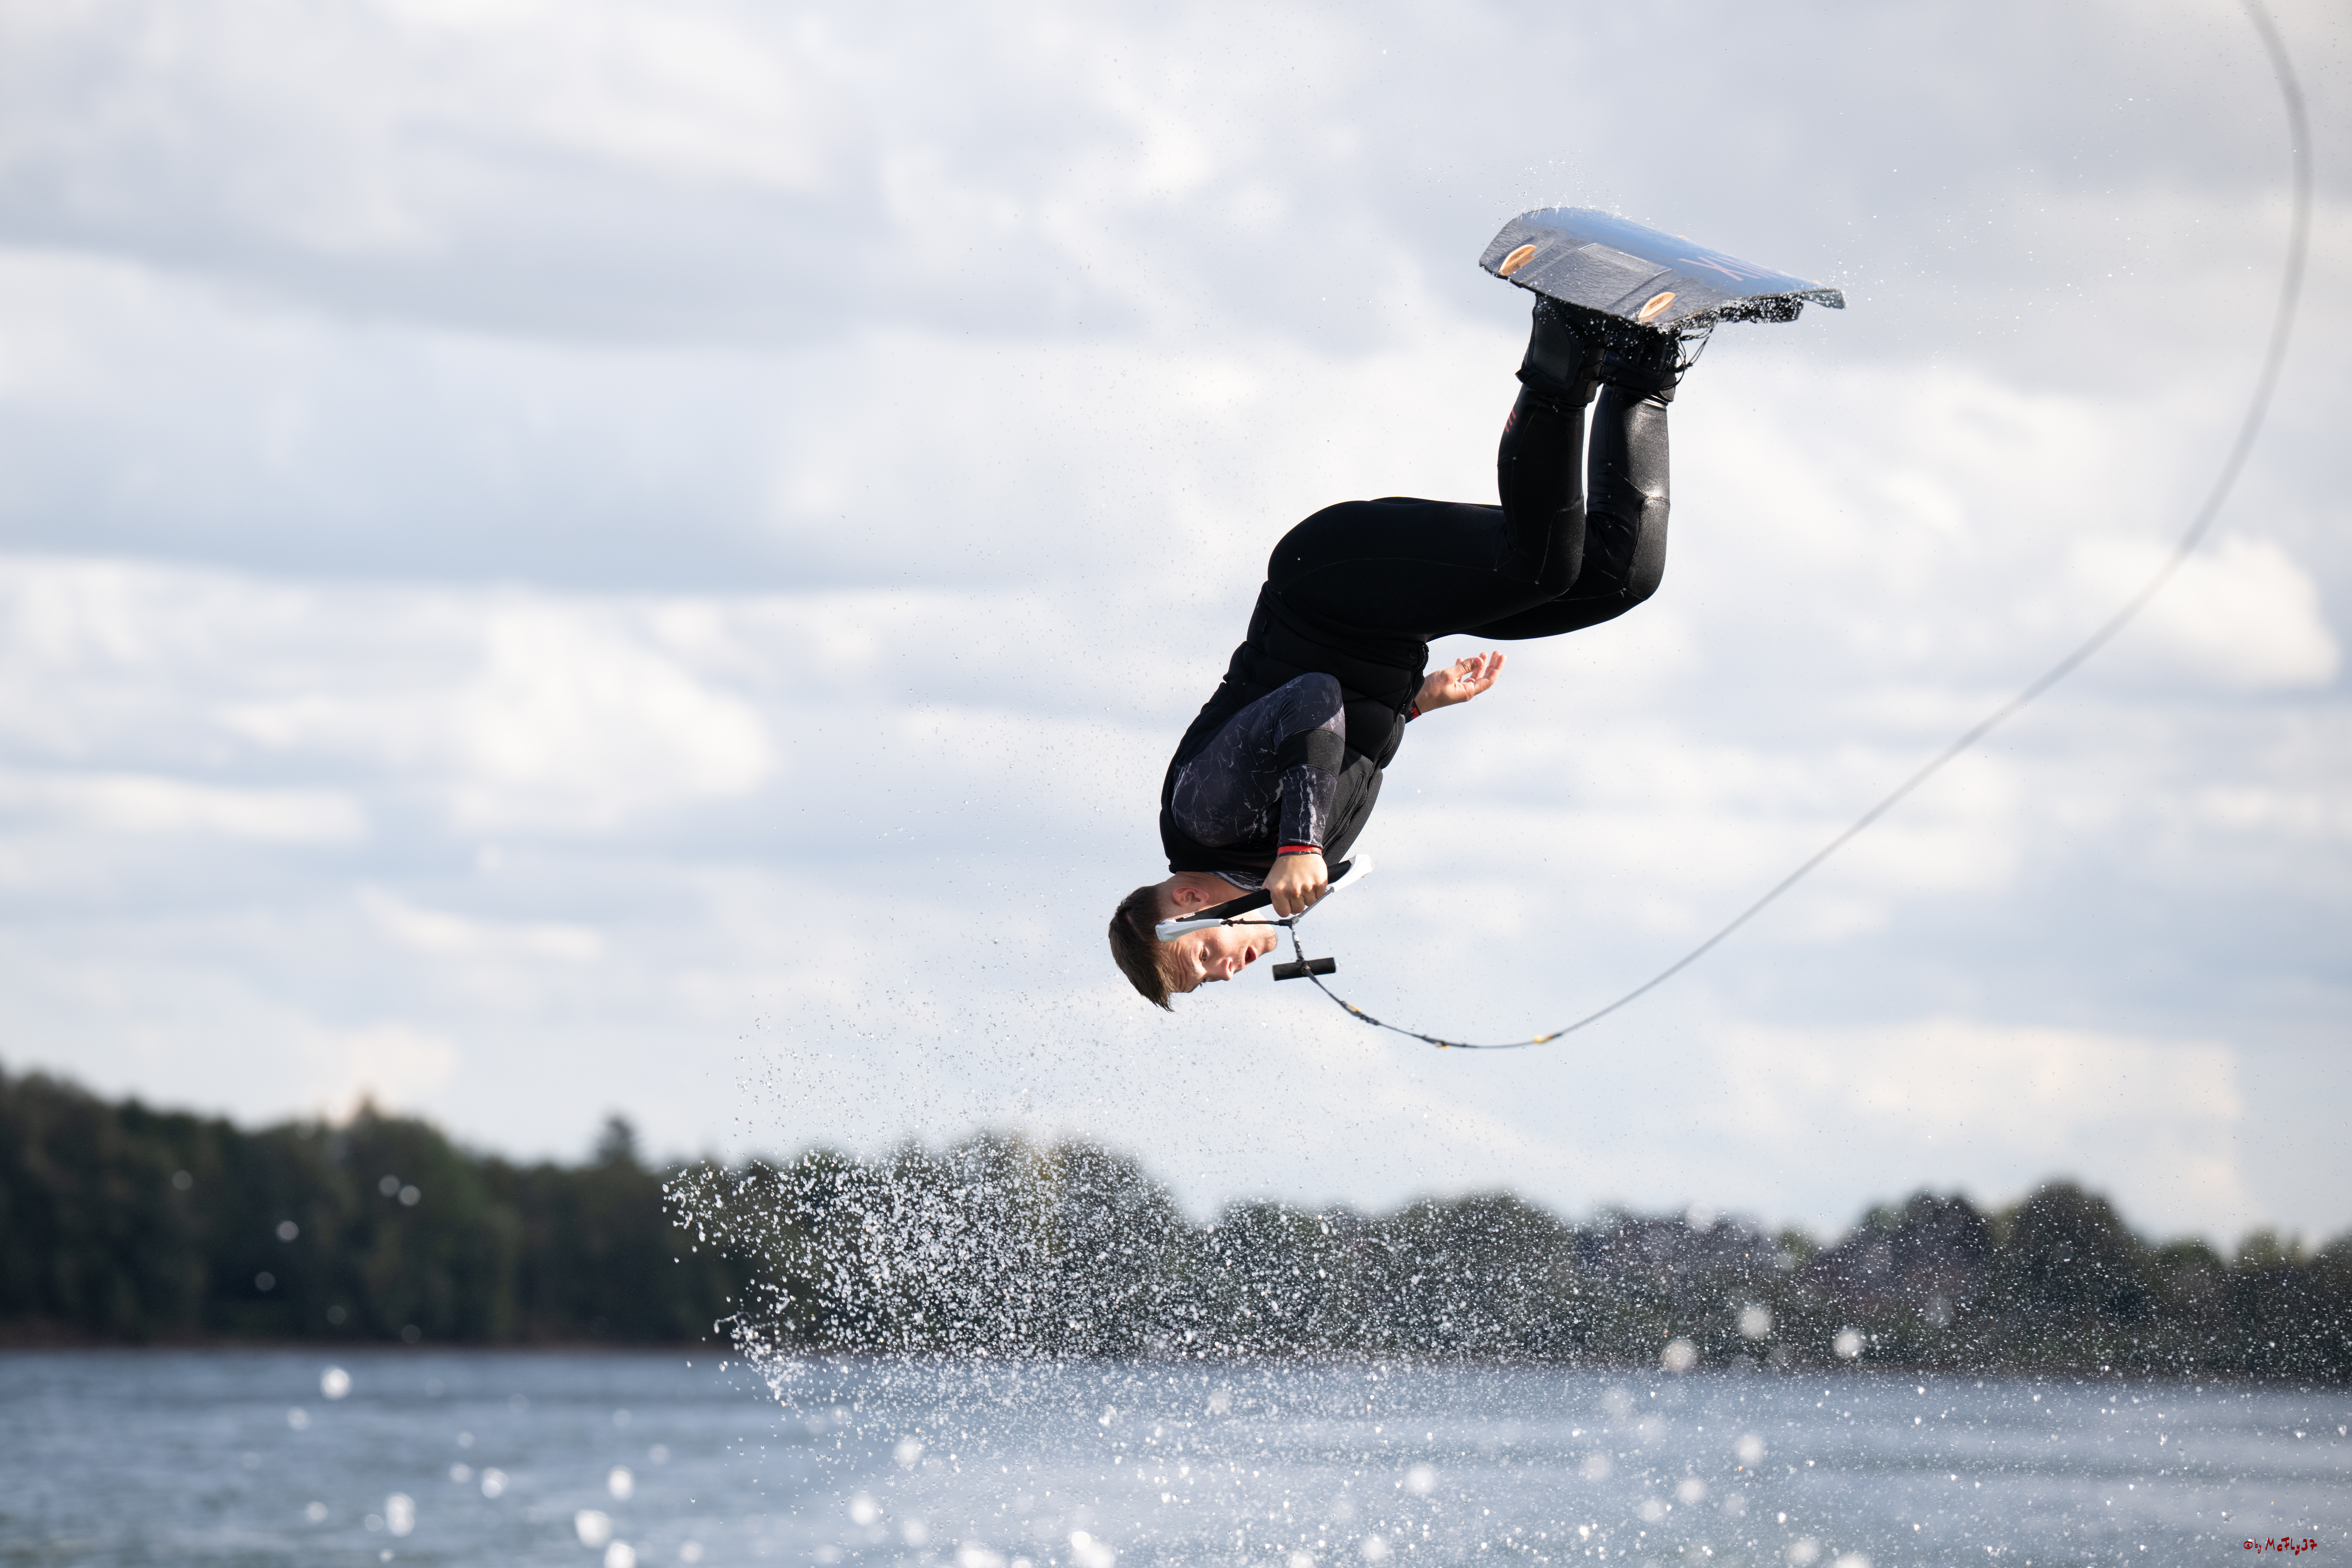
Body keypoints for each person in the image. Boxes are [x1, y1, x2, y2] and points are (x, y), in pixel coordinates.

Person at [1108, 295, 1692, 1006]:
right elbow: (1326, 745)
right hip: (1389, 628)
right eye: (1210, 981)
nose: (1229, 970)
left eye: (1202, 953)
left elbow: (1312, 698)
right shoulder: (1264, 858)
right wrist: (1414, 704)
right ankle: (1647, 358)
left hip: (1331, 579)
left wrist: (1299, 846)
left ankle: (1567, 338)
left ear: (1189, 898)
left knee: (1536, 564)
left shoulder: (1206, 818)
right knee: (1617, 576)